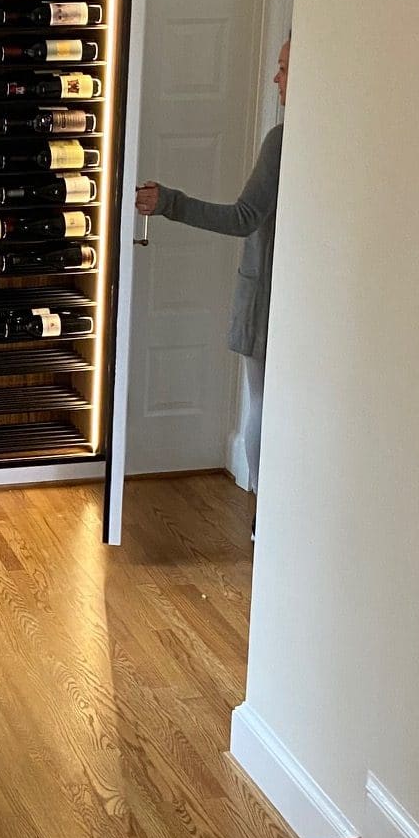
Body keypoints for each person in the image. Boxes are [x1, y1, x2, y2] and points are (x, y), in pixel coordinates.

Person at [135, 33, 288, 494]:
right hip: (296, 300)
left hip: (266, 301)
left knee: (262, 404)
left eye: (284, 66)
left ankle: (263, 510)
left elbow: (244, 218)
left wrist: (170, 203)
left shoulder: (284, 140)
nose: (277, 77)